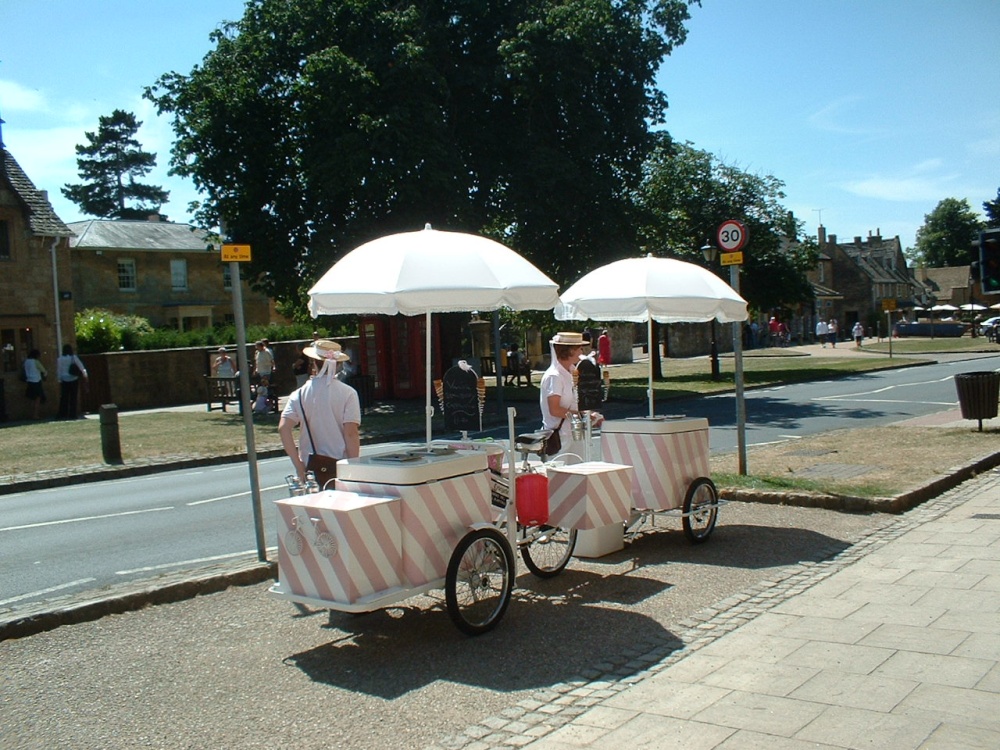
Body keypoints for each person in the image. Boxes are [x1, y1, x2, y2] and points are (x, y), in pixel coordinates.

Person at [279, 339, 360, 484]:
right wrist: (354, 467)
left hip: (310, 467)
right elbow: (351, 433)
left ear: (313, 362)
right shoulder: (348, 393)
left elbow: (284, 428)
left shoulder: (299, 394)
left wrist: (298, 466)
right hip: (341, 466)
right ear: (339, 364)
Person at [539, 331, 602, 461]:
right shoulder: (554, 376)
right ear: (570, 351)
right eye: (579, 348)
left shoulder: (572, 371)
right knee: (558, 477)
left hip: (574, 434)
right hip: (559, 437)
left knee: (578, 475)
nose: (582, 351)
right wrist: (584, 415)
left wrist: (588, 415)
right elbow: (555, 410)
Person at [56, 344, 88, 419]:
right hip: (73, 378)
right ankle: (72, 414)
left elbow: (59, 370)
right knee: (73, 397)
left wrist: (59, 379)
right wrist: (85, 375)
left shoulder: (60, 359)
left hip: (64, 379)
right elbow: (81, 367)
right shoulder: (74, 357)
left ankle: (63, 414)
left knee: (64, 398)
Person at [23, 349, 47, 420]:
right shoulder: (35, 362)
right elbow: (43, 370)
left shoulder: (26, 362)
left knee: (31, 399)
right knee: (37, 399)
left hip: (29, 381)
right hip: (36, 381)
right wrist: (45, 375)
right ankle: (35, 415)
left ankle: (31, 414)